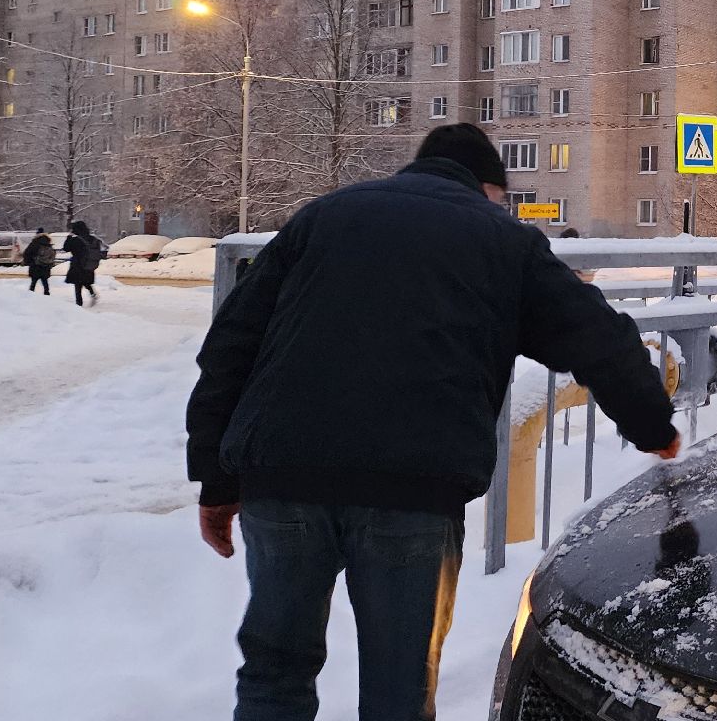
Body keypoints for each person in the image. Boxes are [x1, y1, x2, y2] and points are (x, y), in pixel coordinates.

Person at [186, 122, 679, 721]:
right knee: (400, 690)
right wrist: (653, 426)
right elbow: (599, 340)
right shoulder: (503, 239)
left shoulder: (322, 218)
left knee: (273, 674)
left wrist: (216, 479)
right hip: (412, 491)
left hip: (282, 479)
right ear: (489, 188)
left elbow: (230, 346)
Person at [63, 221, 104, 307]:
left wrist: (69, 237)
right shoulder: (93, 239)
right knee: (86, 282)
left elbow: (66, 248)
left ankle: (79, 305)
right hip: (89, 265)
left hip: (78, 265)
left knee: (78, 285)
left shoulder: (76, 240)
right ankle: (93, 294)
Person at [23, 228, 56, 295]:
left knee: (34, 281)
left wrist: (28, 262)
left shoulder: (35, 243)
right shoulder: (48, 242)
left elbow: (26, 253)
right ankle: (47, 293)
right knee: (45, 280)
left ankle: (30, 293)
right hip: (46, 266)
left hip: (35, 265)